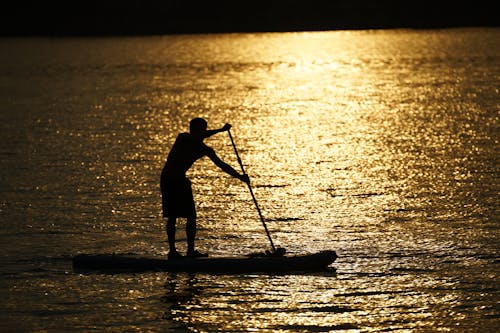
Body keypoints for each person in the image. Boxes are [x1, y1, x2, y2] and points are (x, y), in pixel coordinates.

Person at [160, 118, 250, 259]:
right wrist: (220, 130)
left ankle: (190, 251)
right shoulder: (183, 138)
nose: (202, 132)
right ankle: (172, 252)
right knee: (172, 216)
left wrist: (240, 176)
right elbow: (197, 136)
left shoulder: (204, 149)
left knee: (191, 216)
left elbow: (222, 165)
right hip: (169, 179)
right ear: (194, 130)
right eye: (200, 130)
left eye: (203, 129)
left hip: (181, 180)